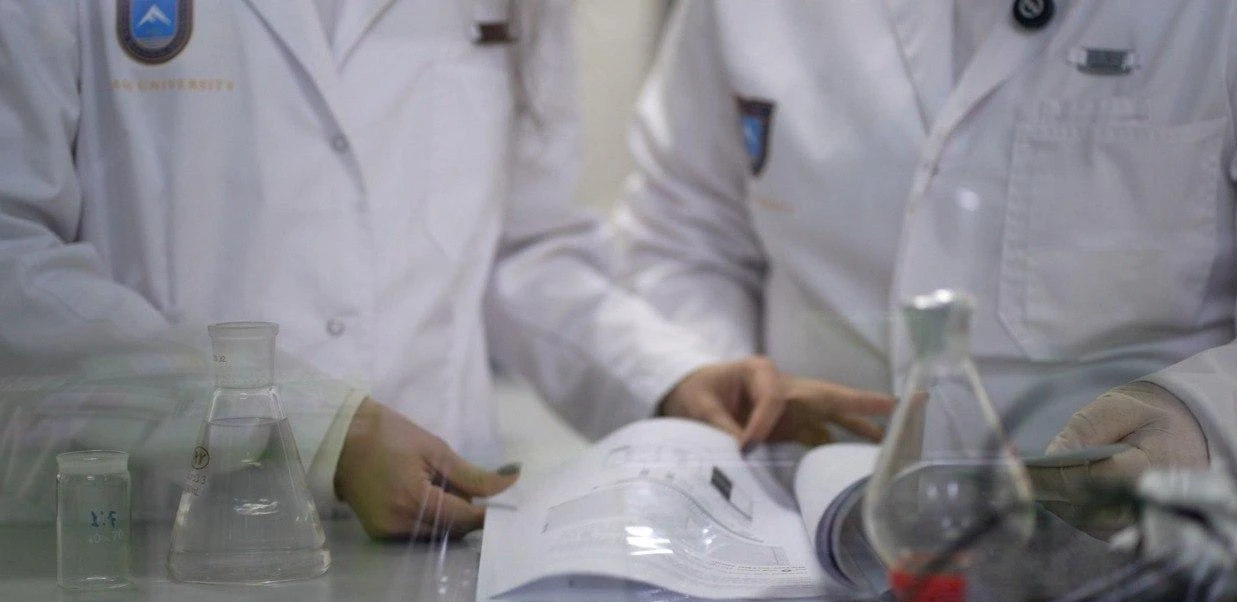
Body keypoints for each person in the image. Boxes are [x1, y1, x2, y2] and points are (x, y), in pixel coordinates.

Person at [0, 1, 895, 537]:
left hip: (437, 545)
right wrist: (318, 431)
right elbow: (14, 260)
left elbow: (524, 247)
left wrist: (672, 378)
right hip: (136, 538)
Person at [578, 0, 1237, 503]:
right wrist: (723, 388)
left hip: (1147, 548)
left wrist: (1203, 421)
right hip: (801, 534)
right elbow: (683, 234)